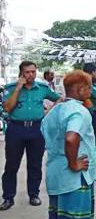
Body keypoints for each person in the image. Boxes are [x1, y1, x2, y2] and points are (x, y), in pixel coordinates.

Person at [40, 70, 96, 219]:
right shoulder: (78, 111)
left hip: (56, 173)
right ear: (80, 89)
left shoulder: (55, 110)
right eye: (88, 87)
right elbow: (71, 137)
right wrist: (74, 163)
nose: (91, 91)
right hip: (75, 177)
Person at [1, 61, 61, 211]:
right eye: (27, 72)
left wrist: (49, 112)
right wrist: (18, 88)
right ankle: (8, 197)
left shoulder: (41, 88)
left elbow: (58, 98)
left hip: (36, 129)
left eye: (33, 72)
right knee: (11, 165)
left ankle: (34, 194)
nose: (31, 75)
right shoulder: (10, 88)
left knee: (35, 164)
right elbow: (7, 107)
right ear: (21, 73)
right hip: (16, 129)